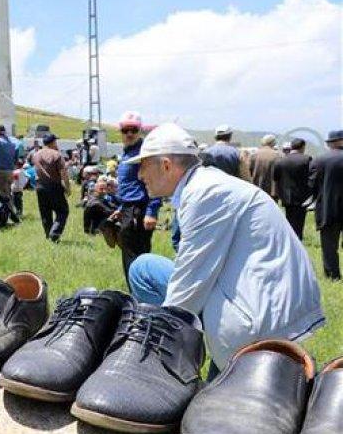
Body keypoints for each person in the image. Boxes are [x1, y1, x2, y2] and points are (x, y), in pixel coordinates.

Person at [126, 123, 324, 372]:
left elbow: (187, 289)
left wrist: (149, 349)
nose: (140, 175)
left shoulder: (205, 194)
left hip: (255, 322)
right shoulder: (209, 186)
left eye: (143, 166)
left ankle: (166, 368)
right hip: (263, 309)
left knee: (143, 269)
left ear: (166, 165)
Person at [111, 111, 160, 281]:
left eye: (134, 130)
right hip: (128, 208)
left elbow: (154, 182)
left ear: (140, 130)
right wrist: (120, 208)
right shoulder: (127, 152)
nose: (130, 134)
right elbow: (130, 184)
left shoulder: (143, 153)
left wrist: (151, 211)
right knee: (129, 253)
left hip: (139, 210)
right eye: (126, 130)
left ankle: (138, 295)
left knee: (136, 256)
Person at [308, 129, 343, 279]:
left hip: (328, 208)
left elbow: (311, 184)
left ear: (331, 144)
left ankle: (332, 275)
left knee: (329, 246)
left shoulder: (319, 160)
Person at [33, 134, 71, 242]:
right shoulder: (56, 155)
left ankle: (48, 235)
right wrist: (68, 188)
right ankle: (55, 233)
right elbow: (64, 173)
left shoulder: (36, 155)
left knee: (45, 212)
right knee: (63, 211)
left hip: (40, 186)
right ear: (53, 142)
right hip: (54, 186)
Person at [273, 138, 312, 240]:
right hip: (302, 195)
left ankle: (289, 238)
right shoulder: (307, 159)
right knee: (300, 221)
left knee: (289, 218)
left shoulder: (281, 160)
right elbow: (311, 176)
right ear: (303, 147)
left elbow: (275, 178)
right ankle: (297, 239)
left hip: (286, 196)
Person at [249, 134, 281, 199]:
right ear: (273, 143)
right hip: (272, 190)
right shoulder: (278, 156)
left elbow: (249, 171)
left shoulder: (254, 155)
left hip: (256, 189)